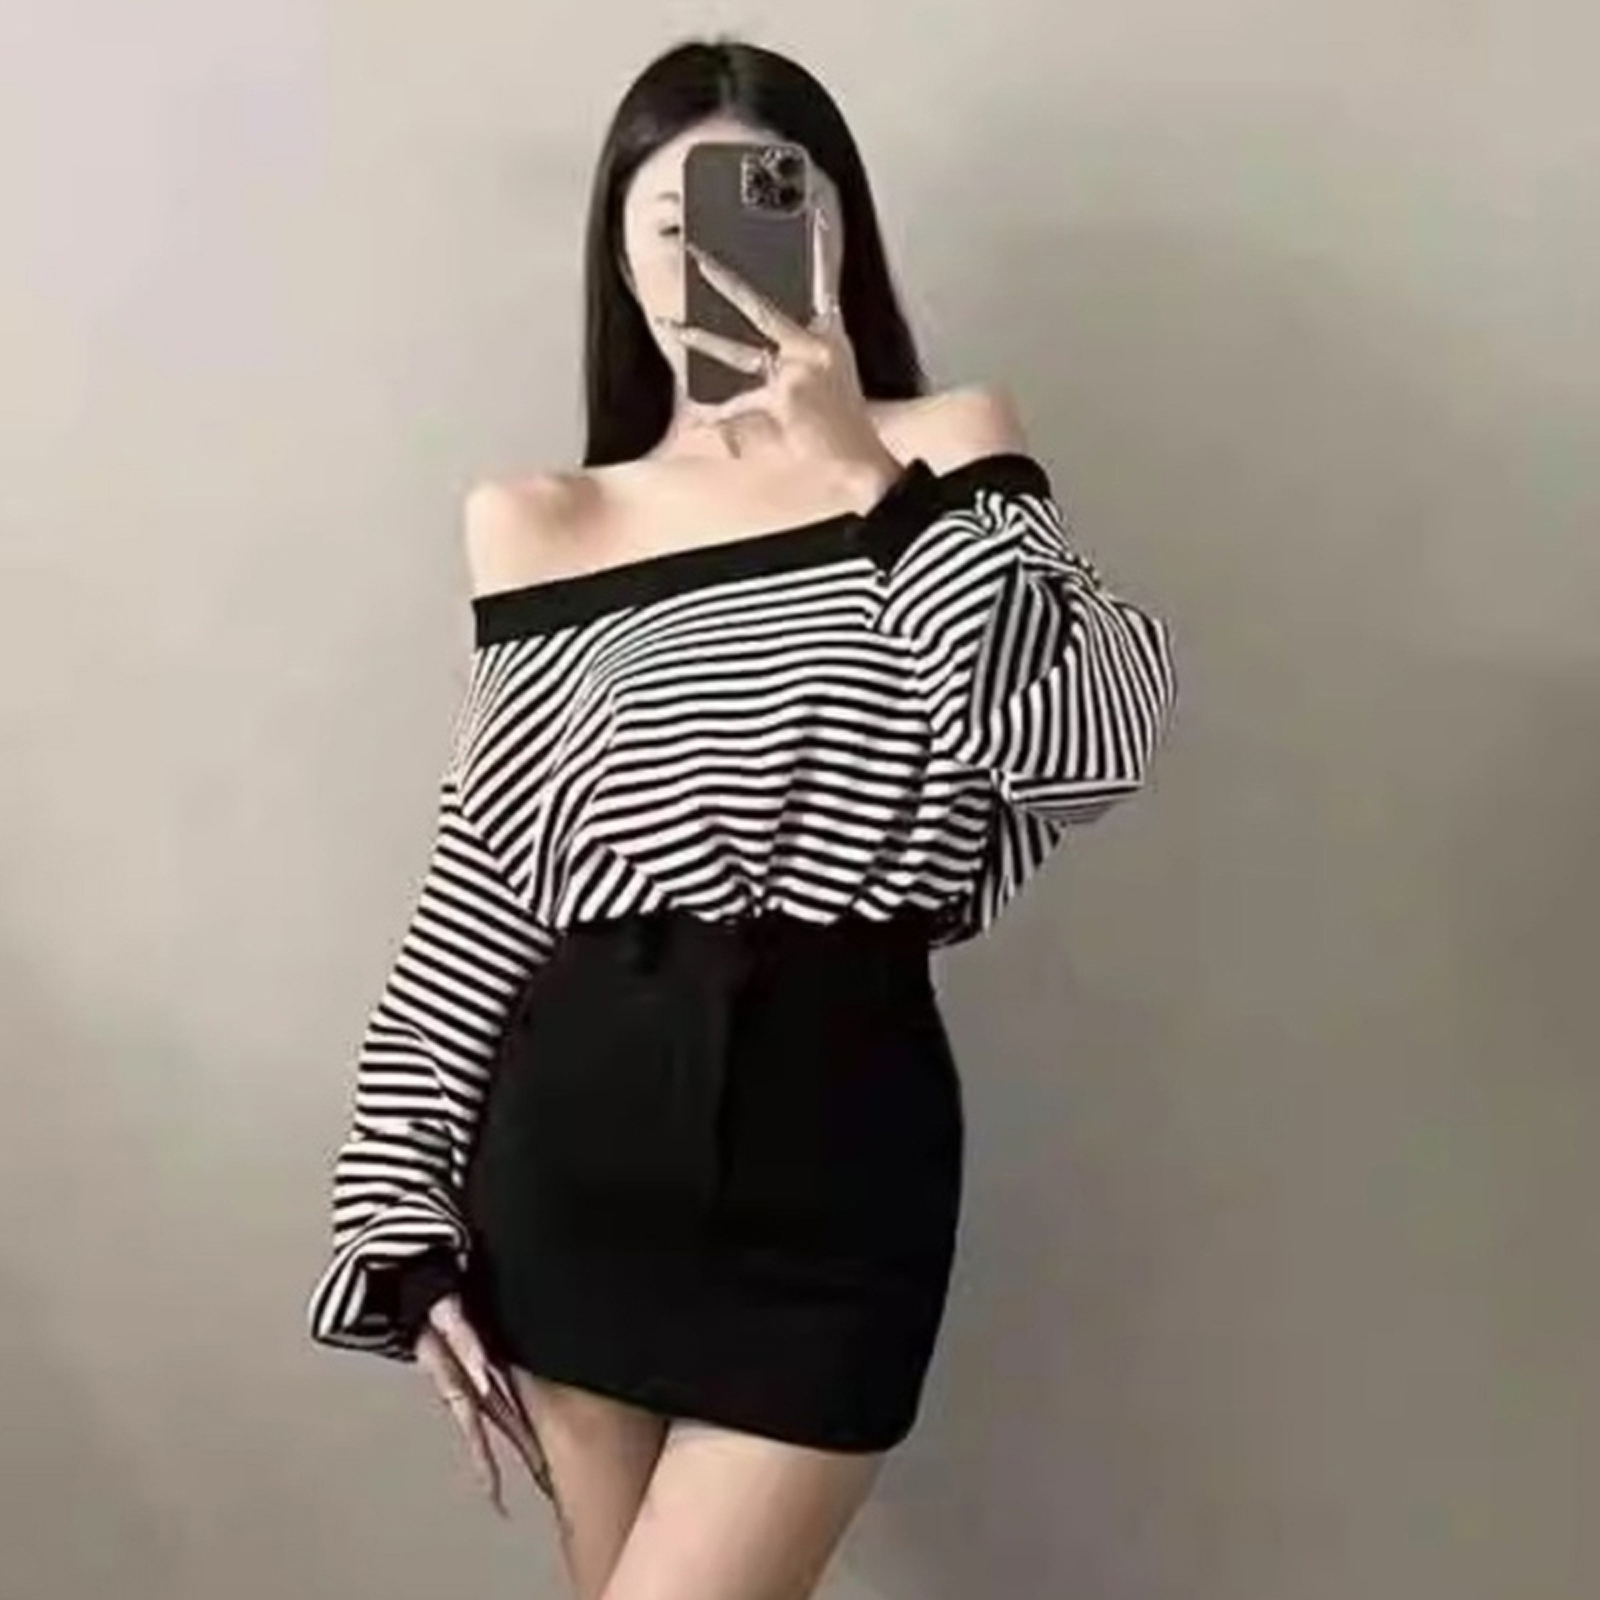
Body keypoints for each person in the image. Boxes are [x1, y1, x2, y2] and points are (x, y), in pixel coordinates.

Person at [306, 34, 1176, 1600]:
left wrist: (865, 474)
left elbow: (1080, 745)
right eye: (668, 225)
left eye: (776, 209)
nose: (711, 261)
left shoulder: (947, 449)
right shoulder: (545, 522)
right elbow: (489, 878)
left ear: (838, 234)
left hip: (841, 1140)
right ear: (618, 260)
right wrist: (398, 1201)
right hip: (579, 1146)